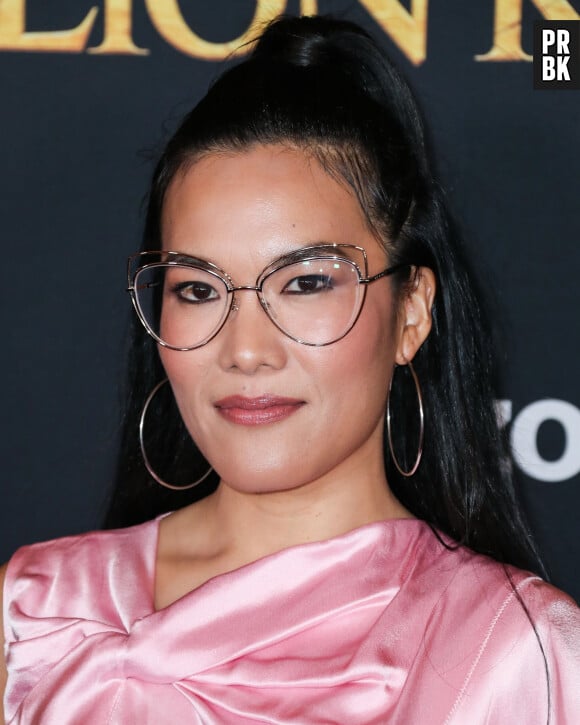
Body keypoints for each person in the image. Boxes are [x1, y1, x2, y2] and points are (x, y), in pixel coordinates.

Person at [1, 14, 579, 724]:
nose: (245, 349)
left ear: (412, 313)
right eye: (199, 289)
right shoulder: (35, 615)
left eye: (305, 283)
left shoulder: (515, 651)